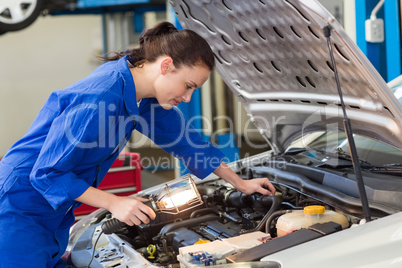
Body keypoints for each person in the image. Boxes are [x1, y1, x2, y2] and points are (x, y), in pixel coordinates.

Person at [0, 22, 276, 267]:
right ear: (166, 66)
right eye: (188, 85)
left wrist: (240, 184)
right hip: (20, 205)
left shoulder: (143, 98)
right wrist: (114, 203)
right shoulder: (101, 97)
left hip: (53, 211)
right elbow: (47, 173)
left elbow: (189, 144)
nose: (189, 97)